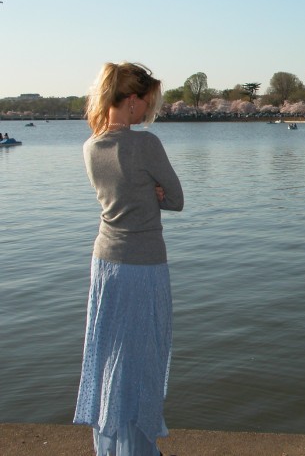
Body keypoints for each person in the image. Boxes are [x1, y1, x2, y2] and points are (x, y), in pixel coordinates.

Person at [74, 62, 184, 456]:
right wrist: (155, 192)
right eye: (148, 103)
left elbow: (120, 195)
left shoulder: (91, 146)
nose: (148, 111)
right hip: (143, 264)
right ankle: (138, 447)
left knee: (110, 358)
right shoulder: (145, 144)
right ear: (133, 101)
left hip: (105, 263)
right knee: (142, 358)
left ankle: (113, 443)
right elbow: (176, 199)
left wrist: (145, 191)